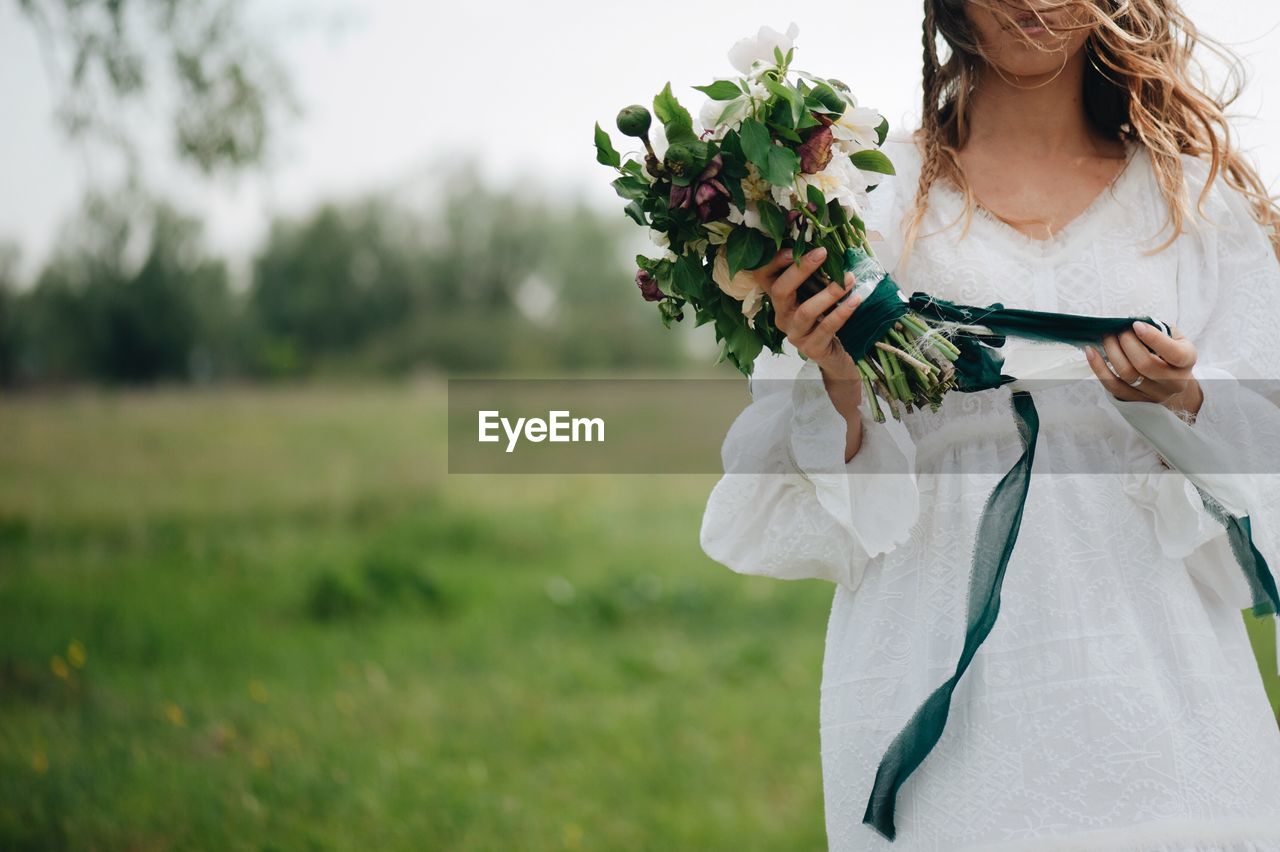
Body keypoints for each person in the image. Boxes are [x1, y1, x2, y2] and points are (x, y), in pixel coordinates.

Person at [699, 1, 1280, 849]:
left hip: (1161, 686)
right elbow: (808, 496)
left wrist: (1189, 399)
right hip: (936, 682)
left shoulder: (1195, 200)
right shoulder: (862, 191)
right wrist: (835, 379)